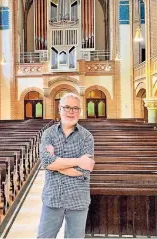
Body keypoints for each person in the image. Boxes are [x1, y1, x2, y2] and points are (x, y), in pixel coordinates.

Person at [37, 92, 95, 239]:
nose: (71, 111)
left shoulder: (87, 136)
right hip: (53, 197)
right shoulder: (48, 134)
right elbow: (46, 163)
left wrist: (57, 164)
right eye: (67, 107)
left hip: (77, 198)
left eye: (75, 108)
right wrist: (78, 160)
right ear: (59, 109)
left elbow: (84, 170)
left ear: (80, 111)